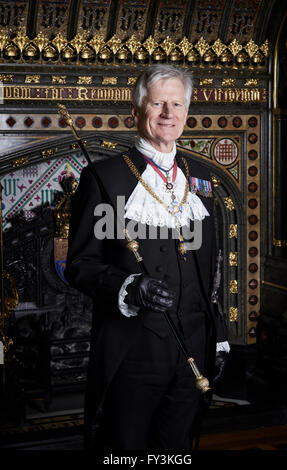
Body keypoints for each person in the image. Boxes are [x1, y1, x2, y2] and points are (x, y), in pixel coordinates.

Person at [64, 64, 229, 452]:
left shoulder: (202, 179)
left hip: (194, 345)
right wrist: (128, 287)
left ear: (186, 113)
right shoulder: (105, 178)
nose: (169, 114)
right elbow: (80, 265)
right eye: (158, 104)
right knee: (125, 450)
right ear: (137, 112)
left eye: (177, 104)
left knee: (175, 449)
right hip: (134, 352)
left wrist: (218, 338)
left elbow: (212, 273)